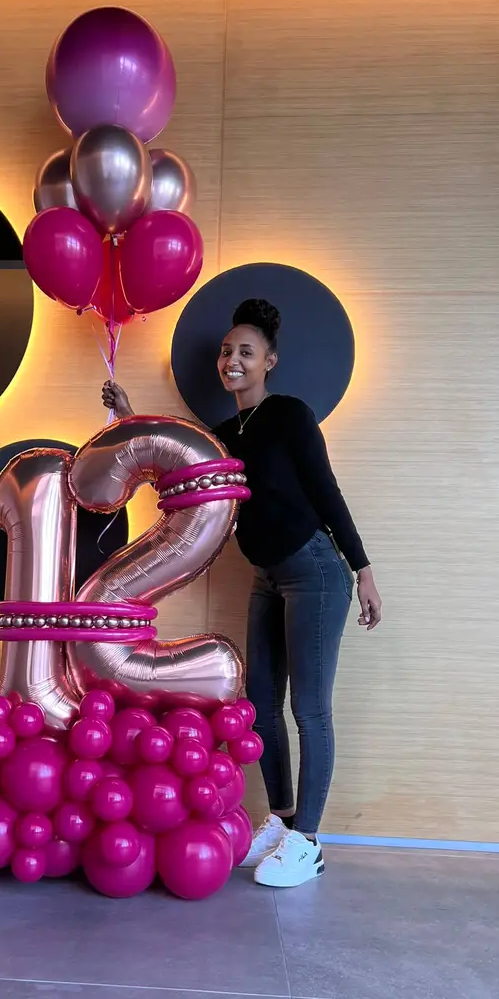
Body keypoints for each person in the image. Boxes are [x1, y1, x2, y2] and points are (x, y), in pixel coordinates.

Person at [102, 298, 382, 889]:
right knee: (260, 704)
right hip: (267, 576)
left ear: (269, 361)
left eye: (246, 352)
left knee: (310, 709)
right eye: (227, 351)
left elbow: (326, 491)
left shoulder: (290, 415)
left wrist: (362, 569)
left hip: (315, 571)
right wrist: (129, 418)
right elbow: (180, 468)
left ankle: (309, 841)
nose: (232, 360)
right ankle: (283, 820)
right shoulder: (225, 436)